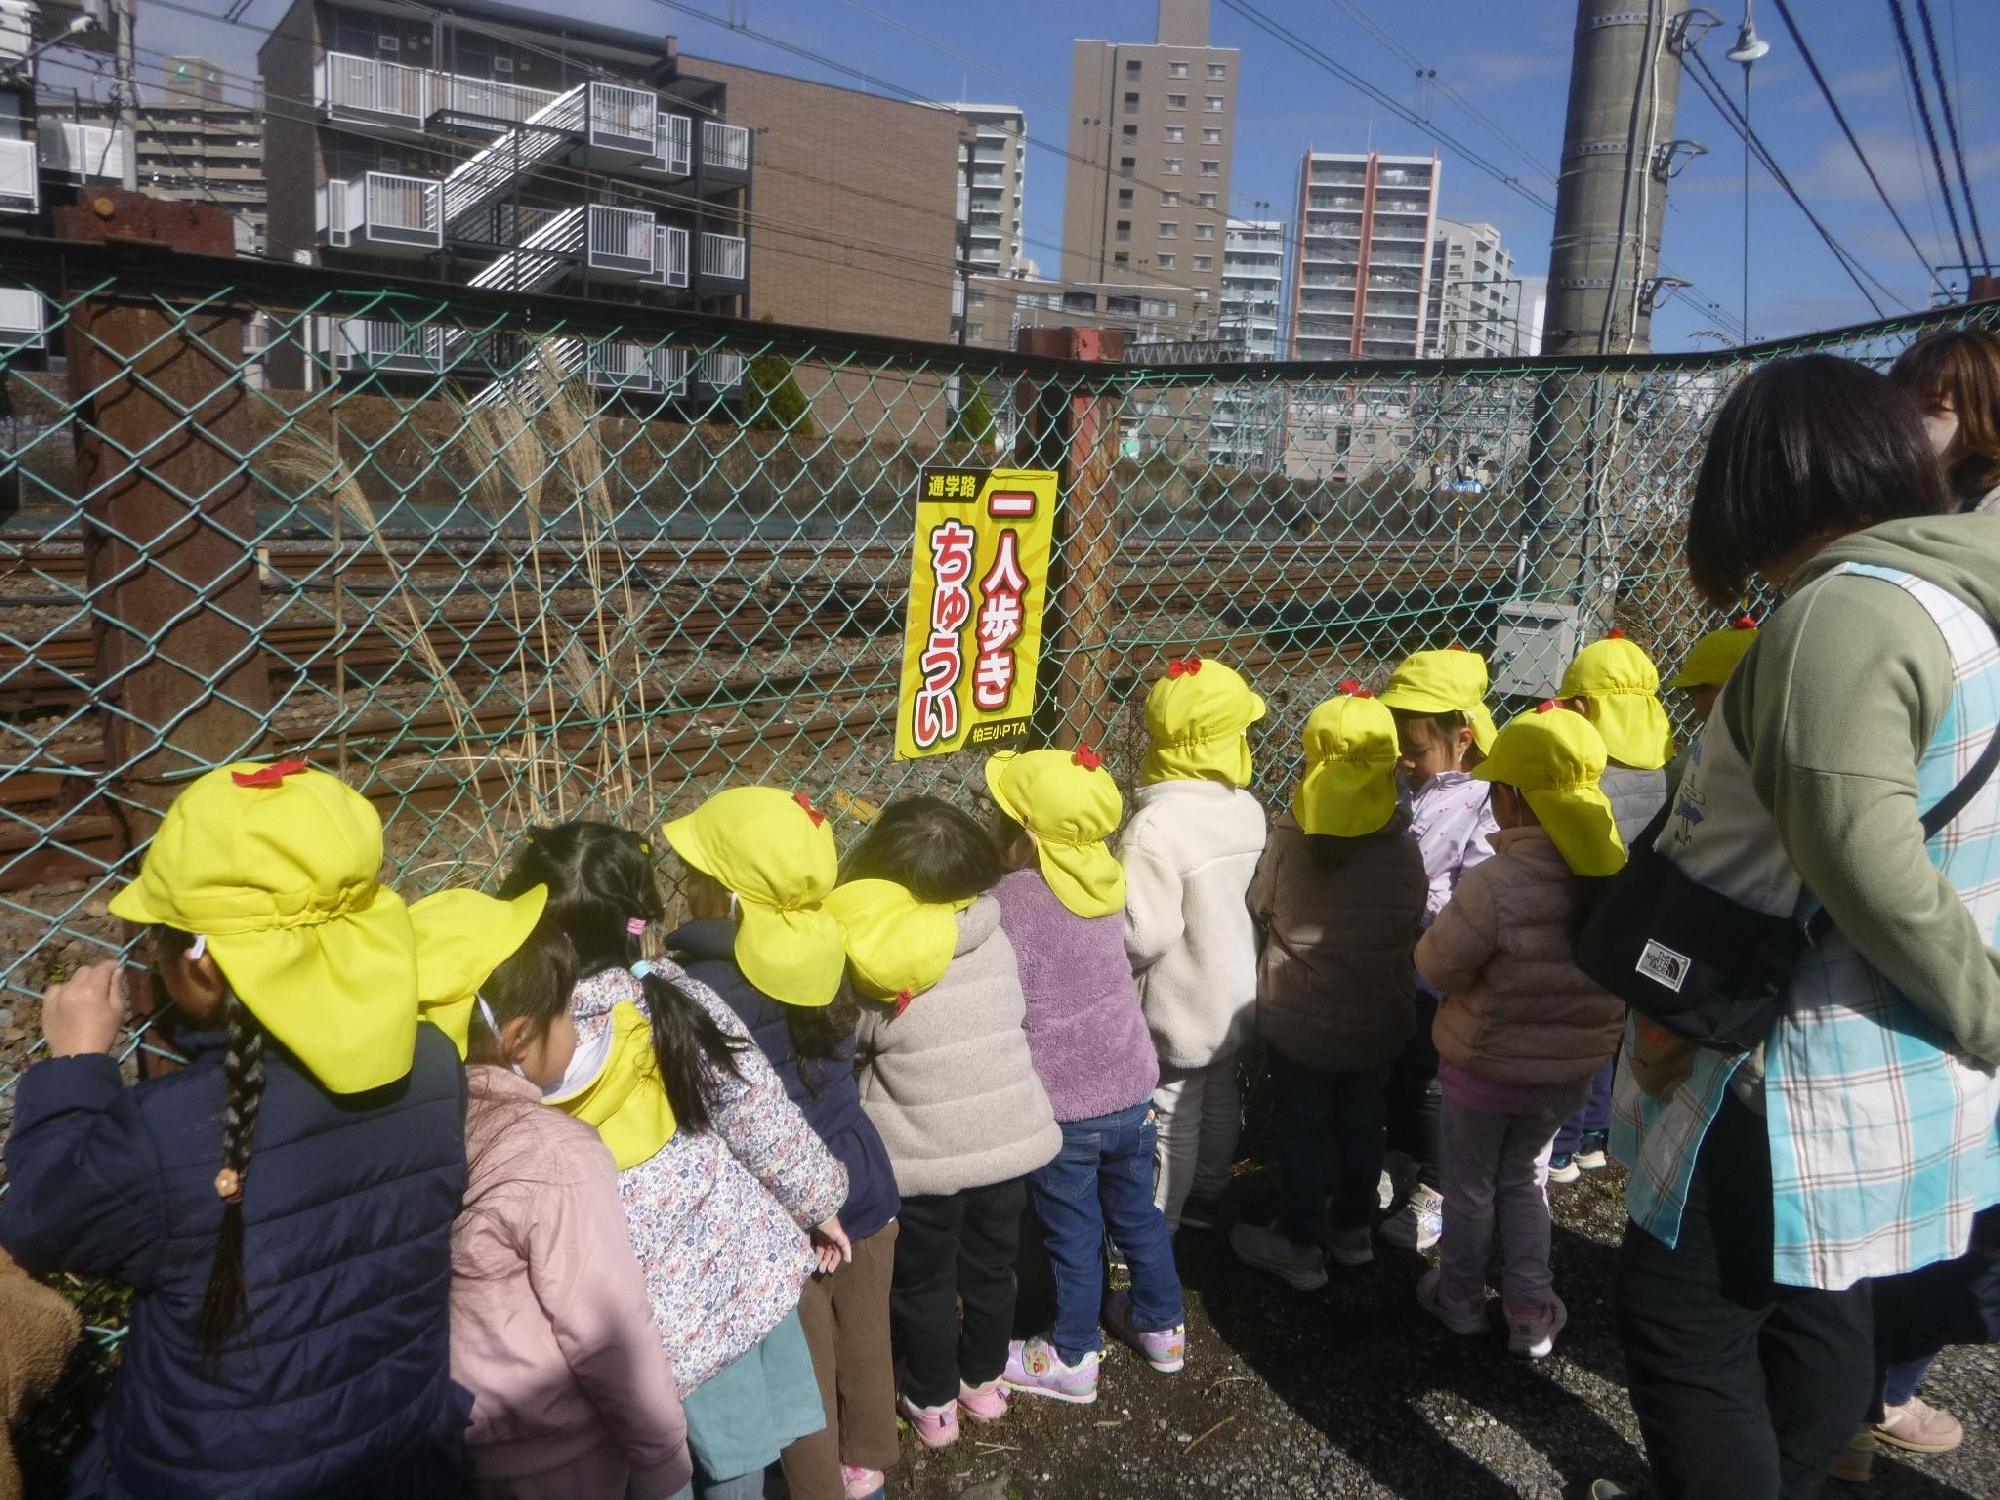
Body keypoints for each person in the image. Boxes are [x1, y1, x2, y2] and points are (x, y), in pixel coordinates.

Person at [1609, 354, 2000, 1500]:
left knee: (1683, 1324)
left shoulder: (1843, 610)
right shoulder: (1958, 602)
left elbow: (1862, 861)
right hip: (1883, 1060)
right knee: (1822, 1297)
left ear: (1756, 484)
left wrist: (1986, 1011)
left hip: (1787, 1059)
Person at [0, 760, 469, 1498]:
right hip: (401, 1453)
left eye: (158, 934)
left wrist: (76, 1066)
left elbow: (36, 1222)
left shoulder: (163, 1133)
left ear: (204, 967)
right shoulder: (436, 1066)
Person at [500, 823, 850, 1500]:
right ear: (638, 917)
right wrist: (819, 1202)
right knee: (740, 1461)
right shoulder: (669, 995)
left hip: (612, 1313)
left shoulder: (516, 1038)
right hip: (717, 1282)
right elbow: (757, 1113)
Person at [660, 788, 900, 1500]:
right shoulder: (829, 944)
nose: (684, 885)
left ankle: (820, 1486)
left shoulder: (699, 991)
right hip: (863, 1173)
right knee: (865, 1341)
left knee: (807, 1379)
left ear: (727, 898)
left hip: (782, 1212)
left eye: (695, 875)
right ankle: (871, 1472)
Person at [416, 886, 692, 1500]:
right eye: (566, 1011)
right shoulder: (554, 1155)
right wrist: (663, 1457)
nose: (576, 1025)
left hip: (442, 1439)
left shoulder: (399, 1136)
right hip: (556, 1461)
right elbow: (605, 1326)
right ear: (517, 1036)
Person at [834, 798, 1061, 1450]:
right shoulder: (993, 932)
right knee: (993, 1269)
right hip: (1007, 1144)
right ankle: (984, 1383)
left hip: (924, 1158)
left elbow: (858, 1049)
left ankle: (932, 1403)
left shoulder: (879, 965)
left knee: (925, 1282)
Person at [1414, 706, 1626, 1360]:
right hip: (1567, 1075)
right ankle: (1530, 1310)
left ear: (1509, 800)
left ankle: (1459, 1299)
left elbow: (1436, 964)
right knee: (1527, 1180)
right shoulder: (1613, 872)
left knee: (1471, 1187)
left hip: (1484, 1073)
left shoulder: (1496, 884)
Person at [986, 747, 1186, 1404]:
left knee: (1071, 1230)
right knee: (1136, 1213)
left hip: (1067, 1104)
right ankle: (1163, 1325)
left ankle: (1072, 1354)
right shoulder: (1105, 876)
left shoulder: (1007, 901)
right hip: (1131, 1083)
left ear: (1026, 833)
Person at [1231, 684, 1428, 1289]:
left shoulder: (1289, 839)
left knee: (1305, 1127)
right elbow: (1411, 915)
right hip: (1378, 1016)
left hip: (1302, 1020)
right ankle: (1352, 1230)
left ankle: (1298, 1239)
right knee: (1364, 1124)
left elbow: (1261, 905)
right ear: (1392, 766)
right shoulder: (1406, 848)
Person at [1119, 654, 1269, 1233]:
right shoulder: (1246, 809)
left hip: (1179, 1000)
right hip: (1237, 985)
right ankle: (1209, 1190)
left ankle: (1163, 1222)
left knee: (1172, 1112)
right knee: (1221, 1093)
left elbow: (1145, 933)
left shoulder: (1155, 829)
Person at [1375, 646, 1501, 1253]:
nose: (1406, 763)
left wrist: (1416, 896)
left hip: (1441, 958)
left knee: (1432, 1072)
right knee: (1398, 1057)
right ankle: (1398, 1157)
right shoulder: (1406, 783)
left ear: (1464, 739)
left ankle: (1439, 1186)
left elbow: (1475, 888)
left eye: (1417, 752)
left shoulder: (1481, 796)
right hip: (1399, 950)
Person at [1548, 631, 1675, 1184]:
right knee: (1611, 1028)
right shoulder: (1668, 771)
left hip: (1583, 925)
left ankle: (1561, 1145)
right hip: (1640, 926)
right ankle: (1598, 1137)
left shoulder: (1586, 772)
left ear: (1581, 707)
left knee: (1571, 1035)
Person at [1889, 325, 2000, 513]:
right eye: (1900, 408)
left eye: (1935, 407)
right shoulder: (1896, 498)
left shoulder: (1992, 508)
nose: (1906, 422)